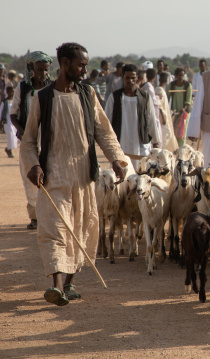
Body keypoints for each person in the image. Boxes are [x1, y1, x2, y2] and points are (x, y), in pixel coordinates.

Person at [20, 42, 128, 306]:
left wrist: (116, 159)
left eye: (86, 65)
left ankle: (68, 285)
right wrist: (34, 165)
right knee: (54, 229)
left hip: (83, 178)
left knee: (79, 230)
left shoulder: (87, 94)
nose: (84, 70)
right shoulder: (43, 97)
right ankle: (55, 286)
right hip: (54, 177)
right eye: (81, 65)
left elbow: (104, 131)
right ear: (65, 63)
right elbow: (29, 140)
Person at [9, 51, 53, 230]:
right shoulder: (23, 88)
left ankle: (49, 215)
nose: (43, 73)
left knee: (50, 176)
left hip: (49, 138)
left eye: (46, 70)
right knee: (30, 177)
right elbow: (13, 114)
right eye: (39, 70)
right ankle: (34, 217)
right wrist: (21, 130)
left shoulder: (53, 87)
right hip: (29, 139)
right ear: (31, 69)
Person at [105, 64, 160, 169]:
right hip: (121, 141)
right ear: (123, 78)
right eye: (127, 78)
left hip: (140, 143)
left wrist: (156, 142)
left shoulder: (145, 97)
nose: (130, 80)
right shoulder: (114, 97)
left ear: (137, 78)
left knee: (141, 173)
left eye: (133, 78)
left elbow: (151, 120)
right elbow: (107, 121)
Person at [168, 67, 193, 146]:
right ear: (175, 75)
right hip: (174, 113)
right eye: (179, 75)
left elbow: (188, 101)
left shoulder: (188, 85)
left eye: (182, 75)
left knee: (182, 134)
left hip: (184, 113)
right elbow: (166, 98)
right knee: (173, 133)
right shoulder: (171, 85)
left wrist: (183, 110)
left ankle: (181, 153)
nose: (181, 77)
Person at [156, 72, 179, 151]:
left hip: (165, 116)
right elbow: (158, 105)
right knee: (165, 136)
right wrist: (163, 116)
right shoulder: (159, 90)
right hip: (162, 118)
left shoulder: (162, 89)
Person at [142, 68, 163, 144]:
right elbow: (151, 99)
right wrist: (158, 97)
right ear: (154, 77)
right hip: (150, 110)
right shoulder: (148, 85)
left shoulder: (150, 85)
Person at [2, 86, 16, 157]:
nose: (12, 93)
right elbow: (1, 112)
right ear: (7, 92)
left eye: (12, 91)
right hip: (7, 122)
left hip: (14, 122)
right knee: (10, 136)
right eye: (10, 91)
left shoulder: (15, 101)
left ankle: (9, 149)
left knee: (14, 136)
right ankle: (9, 150)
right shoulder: (4, 102)